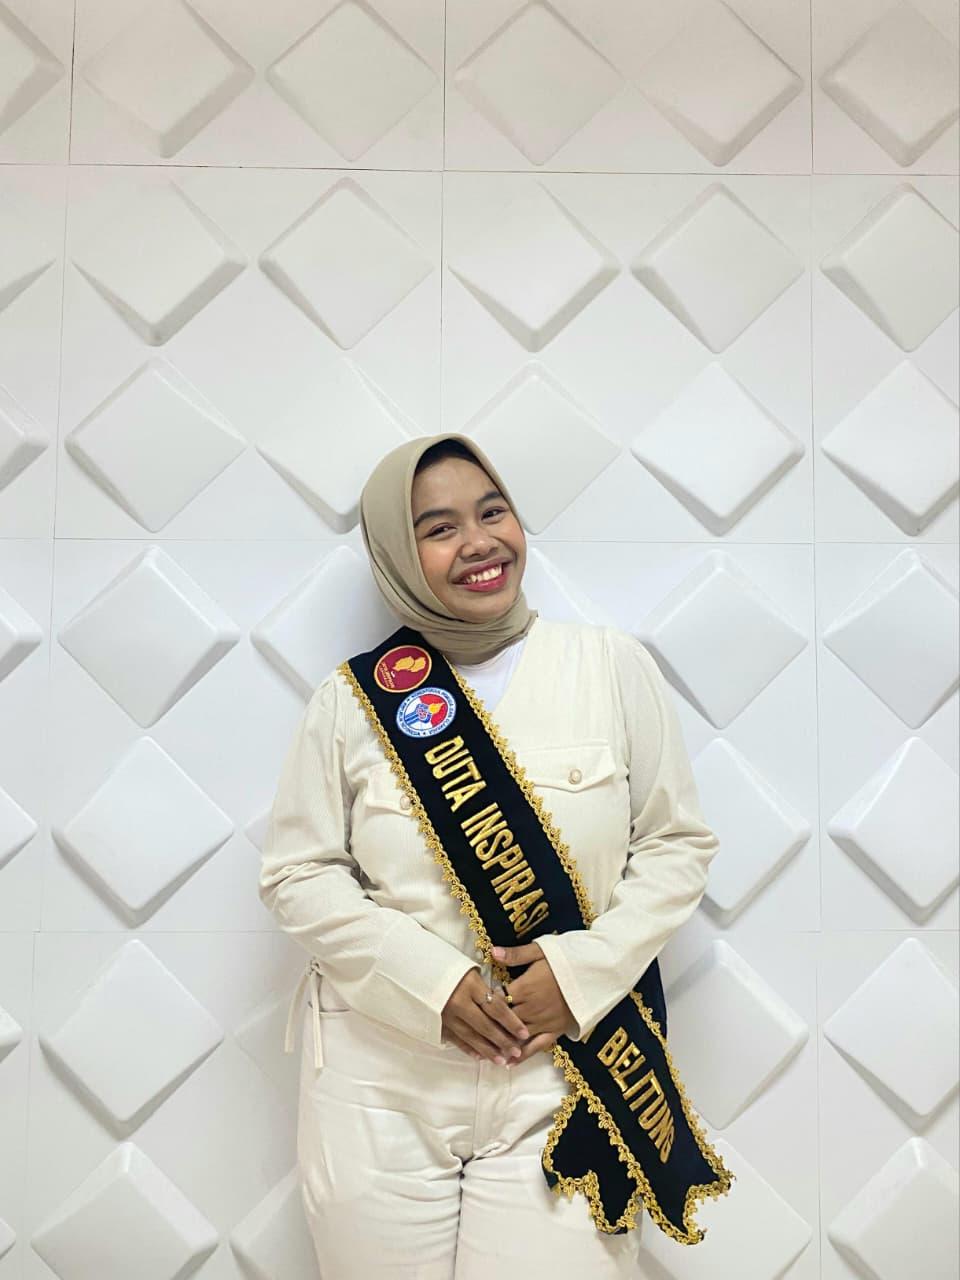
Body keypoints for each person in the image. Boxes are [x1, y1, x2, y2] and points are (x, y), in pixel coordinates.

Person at [259, 434, 721, 1279]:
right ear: (398, 556)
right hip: (382, 1078)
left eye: (492, 512)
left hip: (567, 1074)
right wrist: (429, 984)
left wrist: (578, 974)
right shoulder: (350, 701)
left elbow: (675, 844)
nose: (478, 542)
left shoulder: (609, 666)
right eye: (439, 528)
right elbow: (297, 874)